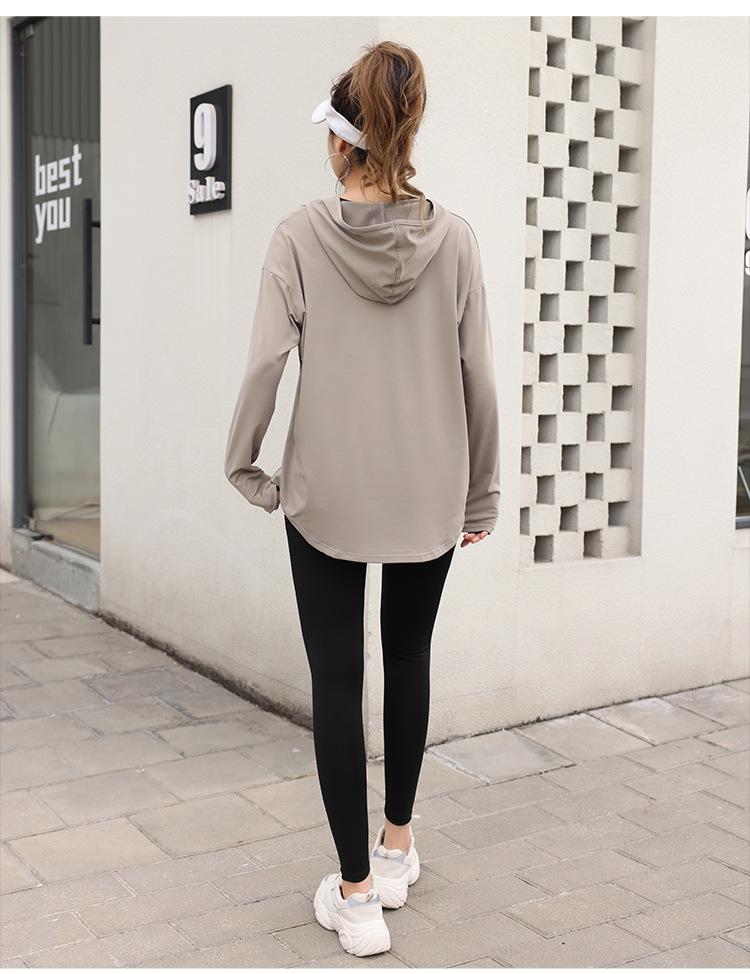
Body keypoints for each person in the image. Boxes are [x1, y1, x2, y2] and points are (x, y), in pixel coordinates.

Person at [224, 39, 500, 958]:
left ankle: (355, 899)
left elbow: (264, 364)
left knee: (338, 682)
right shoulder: (456, 240)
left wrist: (246, 466)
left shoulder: (299, 237)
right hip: (430, 489)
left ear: (344, 142)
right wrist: (481, 494)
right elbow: (480, 378)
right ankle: (398, 848)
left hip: (326, 494)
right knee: (408, 658)